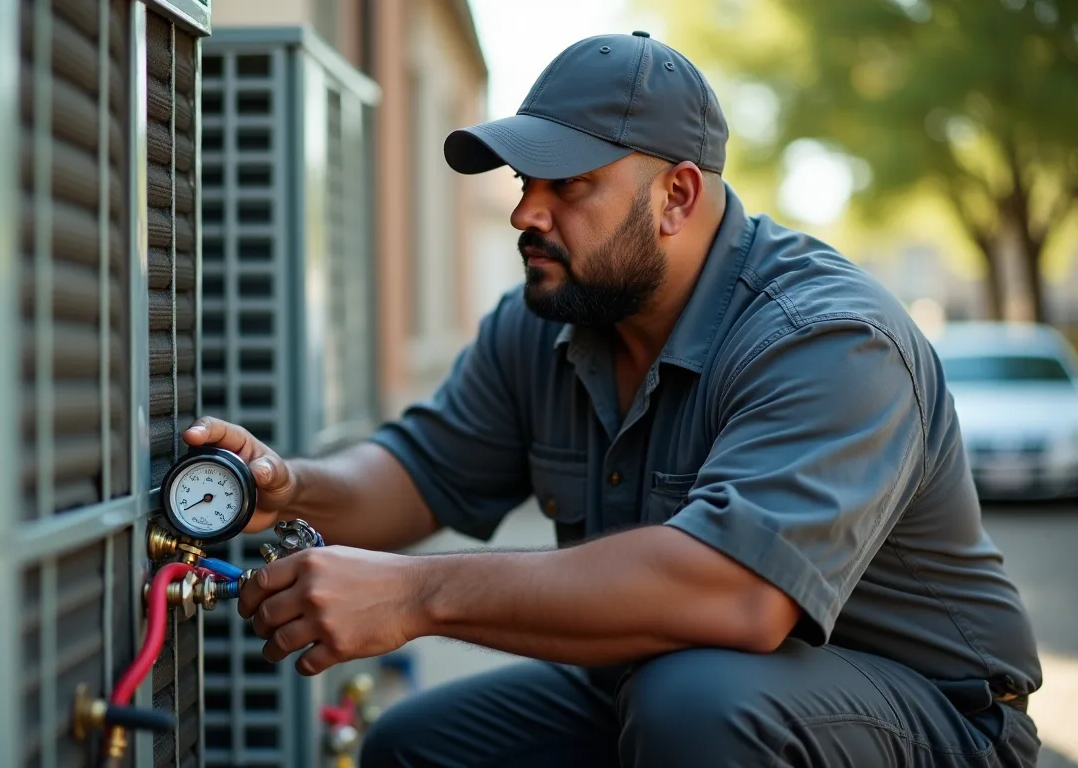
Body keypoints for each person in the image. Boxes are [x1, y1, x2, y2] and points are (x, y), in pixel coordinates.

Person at [183, 31, 1043, 768]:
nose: (526, 212)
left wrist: (416, 596)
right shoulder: (549, 318)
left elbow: (736, 597)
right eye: (524, 181)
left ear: (677, 197)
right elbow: (421, 470)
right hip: (660, 676)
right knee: (417, 746)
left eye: (567, 185)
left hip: (931, 715)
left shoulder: (828, 338)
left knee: (698, 705)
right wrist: (291, 486)